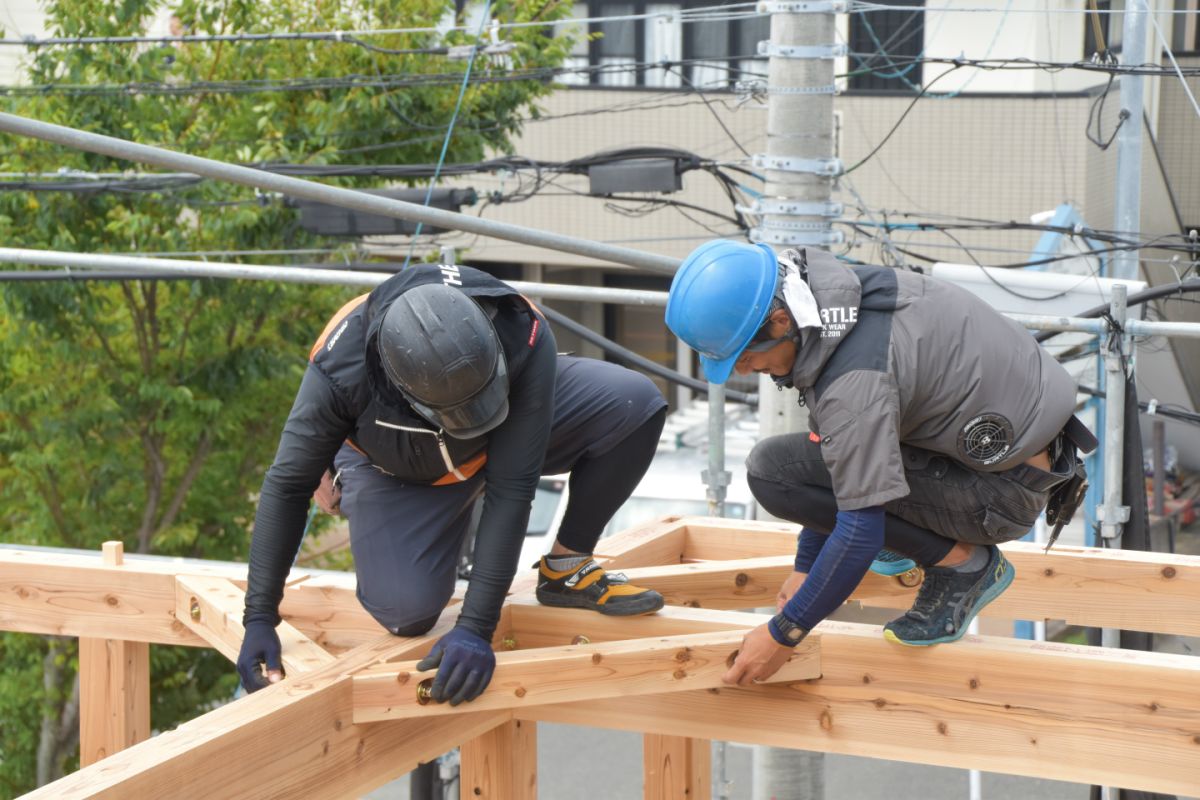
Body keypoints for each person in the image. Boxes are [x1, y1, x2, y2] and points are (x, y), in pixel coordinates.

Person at [664, 241, 1094, 686]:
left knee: (773, 476)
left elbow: (858, 530)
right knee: (795, 467)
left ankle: (963, 565)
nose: (743, 371)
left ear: (779, 321)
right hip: (1004, 458)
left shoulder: (855, 381)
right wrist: (807, 567)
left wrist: (784, 632)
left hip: (999, 497)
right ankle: (912, 539)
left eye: (746, 357)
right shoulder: (836, 300)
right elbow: (834, 451)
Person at [238, 262, 667, 704]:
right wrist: (259, 617)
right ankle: (396, 493)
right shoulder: (340, 366)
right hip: (396, 467)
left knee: (632, 405)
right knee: (406, 612)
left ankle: (566, 568)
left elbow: (513, 487)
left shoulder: (520, 328)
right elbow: (288, 484)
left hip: (500, 428)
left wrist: (476, 627)